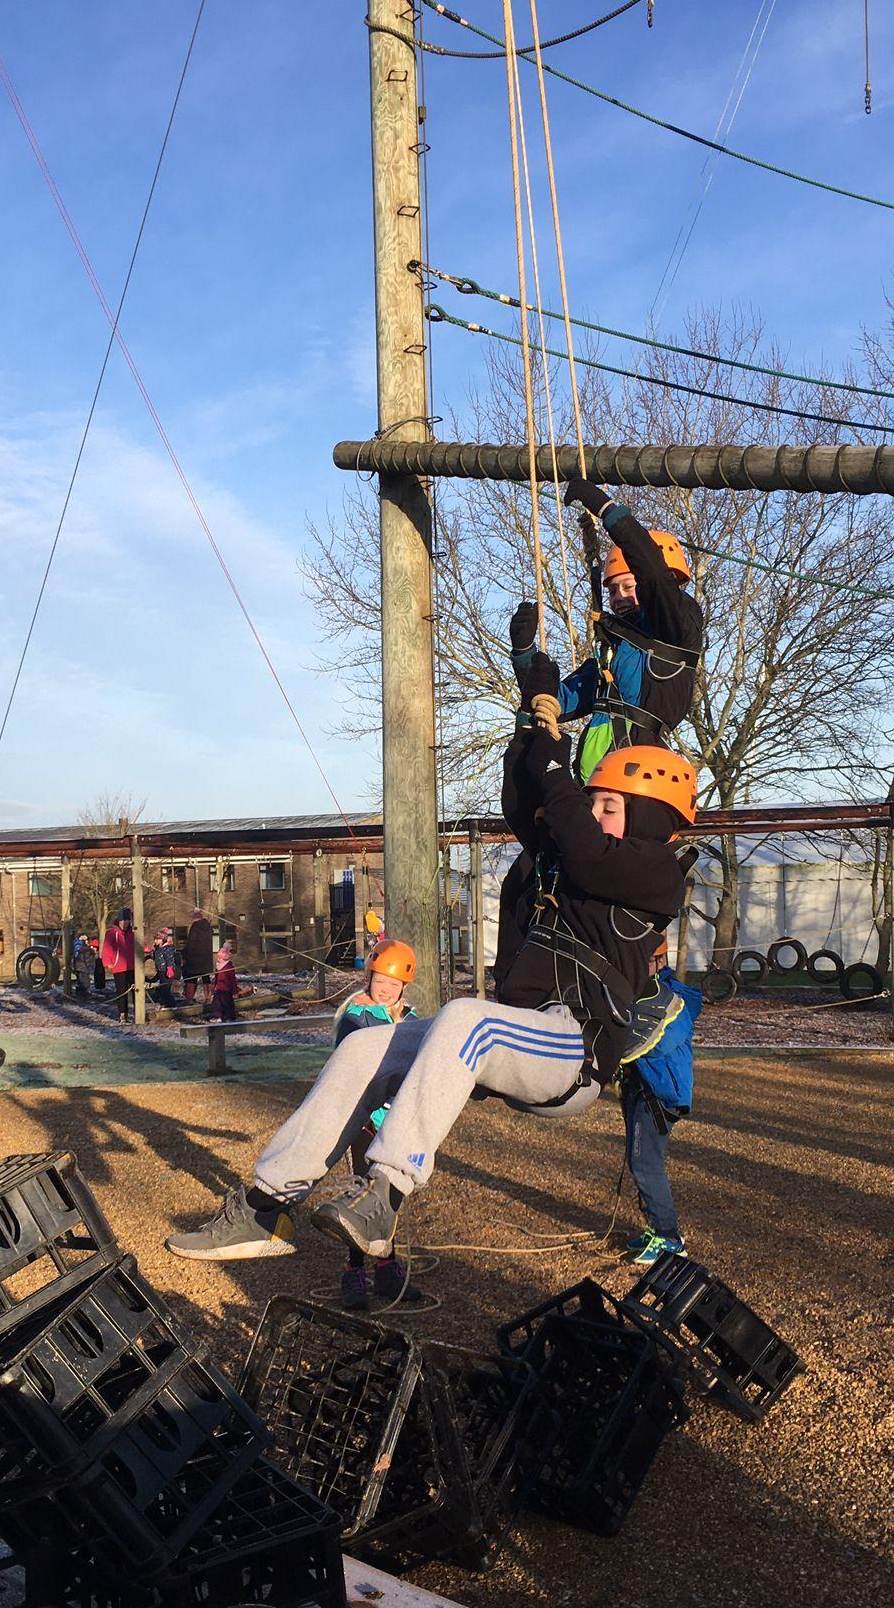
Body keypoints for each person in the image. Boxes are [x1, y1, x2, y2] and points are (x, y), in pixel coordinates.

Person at [167, 691, 695, 1267]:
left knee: (467, 1017)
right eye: (591, 804)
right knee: (364, 1049)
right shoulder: (578, 859)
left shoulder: (656, 873)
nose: (593, 814)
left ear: (650, 817)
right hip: (523, 1033)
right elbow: (530, 807)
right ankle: (266, 1207)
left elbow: (582, 842)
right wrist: (531, 717)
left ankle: (385, 1194)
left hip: (574, 1051)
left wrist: (555, 766)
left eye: (608, 805)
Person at [509, 482, 704, 781]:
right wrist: (524, 653)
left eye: (628, 587)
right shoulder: (612, 658)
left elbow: (654, 576)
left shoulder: (676, 627)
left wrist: (608, 511)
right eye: (612, 590)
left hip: (637, 775)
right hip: (596, 780)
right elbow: (550, 702)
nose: (618, 598)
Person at [332, 940, 421, 1309]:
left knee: (391, 1194)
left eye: (393, 984)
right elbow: (351, 1066)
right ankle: (354, 1271)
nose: (385, 989)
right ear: (369, 978)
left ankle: (386, 1267)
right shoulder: (356, 1017)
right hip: (365, 1119)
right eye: (380, 981)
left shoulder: (411, 1019)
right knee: (362, 1194)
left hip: (397, 1120)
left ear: (403, 987)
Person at [619, 944, 702, 1265]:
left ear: (659, 961)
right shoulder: (641, 993)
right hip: (642, 1089)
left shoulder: (671, 999)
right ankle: (657, 1228)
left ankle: (668, 1237)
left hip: (660, 1095)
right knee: (639, 1160)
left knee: (645, 1164)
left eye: (643, 961)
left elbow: (654, 1043)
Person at [102, 910, 137, 1020]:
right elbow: (107, 948)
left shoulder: (133, 933)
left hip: (133, 966)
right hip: (119, 966)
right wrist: (107, 963)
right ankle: (123, 1013)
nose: (125, 924)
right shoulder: (112, 933)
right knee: (121, 991)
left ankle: (138, 1013)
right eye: (123, 921)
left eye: (127, 921)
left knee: (136, 990)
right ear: (119, 921)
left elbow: (139, 945)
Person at [182, 906, 213, 1005]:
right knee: (206, 978)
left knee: (191, 978)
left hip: (194, 959)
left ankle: (189, 998)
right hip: (206, 958)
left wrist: (185, 954)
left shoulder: (195, 927)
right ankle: (208, 997)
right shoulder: (208, 928)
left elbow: (191, 943)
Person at [207, 942, 240, 1022]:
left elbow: (233, 979)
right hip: (219, 989)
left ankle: (229, 1017)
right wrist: (213, 986)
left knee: (227, 1003)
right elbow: (216, 977)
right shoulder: (218, 967)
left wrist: (234, 991)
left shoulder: (229, 966)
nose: (218, 960)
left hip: (227, 989)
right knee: (216, 1003)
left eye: (219, 958)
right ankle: (217, 1016)